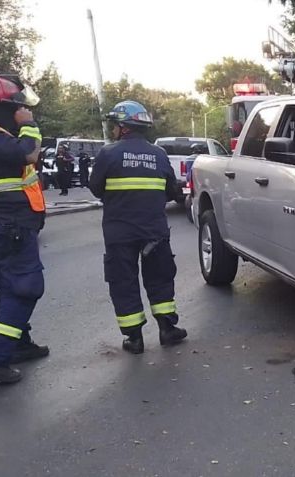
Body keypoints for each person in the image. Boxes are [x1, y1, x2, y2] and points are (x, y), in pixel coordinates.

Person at [89, 100, 187, 354]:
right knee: (160, 278)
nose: (113, 130)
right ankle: (167, 329)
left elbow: (96, 187)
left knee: (123, 282)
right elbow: (171, 191)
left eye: (114, 126)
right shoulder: (159, 155)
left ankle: (134, 338)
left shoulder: (108, 154)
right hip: (154, 231)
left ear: (123, 127)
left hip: (119, 232)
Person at [0, 74, 50, 383]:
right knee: (26, 287)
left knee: (10, 284)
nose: (23, 110)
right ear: (4, 108)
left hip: (4, 223)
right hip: (9, 223)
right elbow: (28, 154)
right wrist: (28, 124)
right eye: (18, 107)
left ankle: (19, 344)